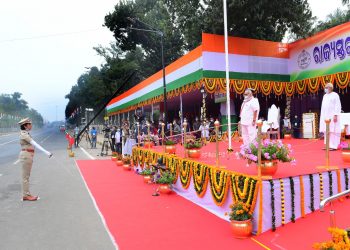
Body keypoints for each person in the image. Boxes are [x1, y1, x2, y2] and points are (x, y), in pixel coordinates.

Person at [18, 118, 53, 201]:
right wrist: (46, 152)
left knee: (26, 176)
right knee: (25, 177)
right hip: (26, 155)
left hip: (28, 155)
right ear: (25, 126)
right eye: (29, 124)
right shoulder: (24, 134)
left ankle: (26, 194)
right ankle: (26, 195)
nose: (31, 125)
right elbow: (35, 144)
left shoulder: (26, 133)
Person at [320, 82, 342, 150]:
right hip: (325, 116)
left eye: (326, 87)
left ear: (330, 88)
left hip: (332, 116)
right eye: (325, 87)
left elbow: (337, 106)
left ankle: (333, 146)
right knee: (326, 131)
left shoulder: (335, 95)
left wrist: (335, 115)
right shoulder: (325, 96)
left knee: (332, 131)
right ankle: (327, 145)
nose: (325, 89)